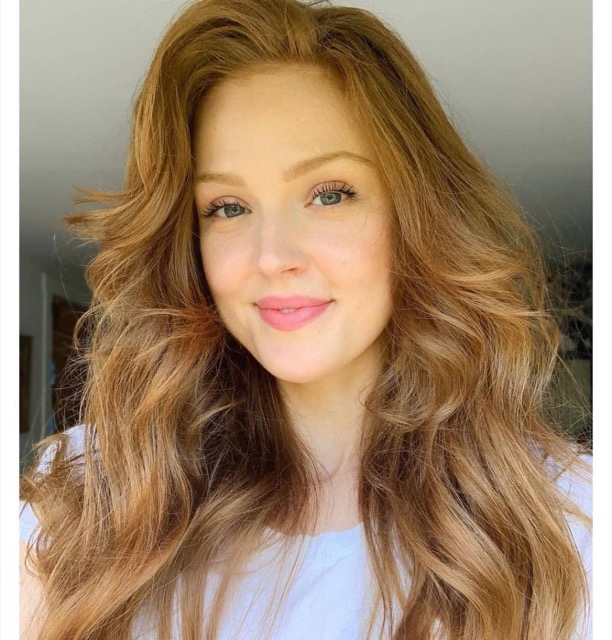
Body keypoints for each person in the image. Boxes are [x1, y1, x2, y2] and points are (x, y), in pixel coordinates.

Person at [19, 0, 592, 638]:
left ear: (416, 215)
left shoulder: (573, 522)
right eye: (228, 206)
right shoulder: (87, 500)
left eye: (329, 195)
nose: (271, 257)